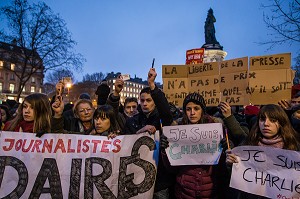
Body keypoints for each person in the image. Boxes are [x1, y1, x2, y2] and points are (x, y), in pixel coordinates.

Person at [160, 92, 228, 199]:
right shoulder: (176, 132)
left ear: (202, 110)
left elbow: (222, 168)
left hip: (210, 192)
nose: (192, 113)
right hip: (184, 193)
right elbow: (171, 168)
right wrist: (165, 150)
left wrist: (226, 148)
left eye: (196, 108)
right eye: (188, 109)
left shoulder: (215, 131)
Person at [226, 104, 300, 198]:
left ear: (282, 123)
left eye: (272, 120)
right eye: (262, 119)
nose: (266, 124)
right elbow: (237, 182)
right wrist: (231, 165)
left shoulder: (294, 148)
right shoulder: (247, 145)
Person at [123, 68, 174, 199]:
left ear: (155, 102)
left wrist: (152, 84)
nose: (145, 103)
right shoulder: (131, 122)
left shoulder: (162, 120)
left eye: (149, 100)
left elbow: (167, 113)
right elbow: (125, 146)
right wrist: (140, 133)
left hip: (160, 180)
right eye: (142, 100)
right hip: (136, 180)